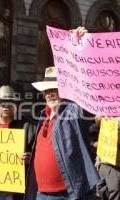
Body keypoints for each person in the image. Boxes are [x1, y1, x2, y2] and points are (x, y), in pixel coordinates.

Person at [24, 66, 99, 200]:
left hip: (65, 194)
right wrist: (32, 157)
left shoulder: (73, 111)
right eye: (47, 90)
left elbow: (87, 107)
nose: (50, 94)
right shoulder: (43, 116)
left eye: (55, 90)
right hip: (41, 193)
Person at [0, 85, 36, 200]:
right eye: (1, 102)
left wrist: (31, 158)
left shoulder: (27, 126)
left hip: (17, 184)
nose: (6, 106)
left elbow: (38, 152)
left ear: (16, 106)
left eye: (10, 102)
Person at [95, 116, 120, 200]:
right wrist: (98, 158)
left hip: (116, 165)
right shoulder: (104, 117)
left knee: (114, 195)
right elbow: (103, 139)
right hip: (103, 163)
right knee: (100, 193)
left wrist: (110, 123)